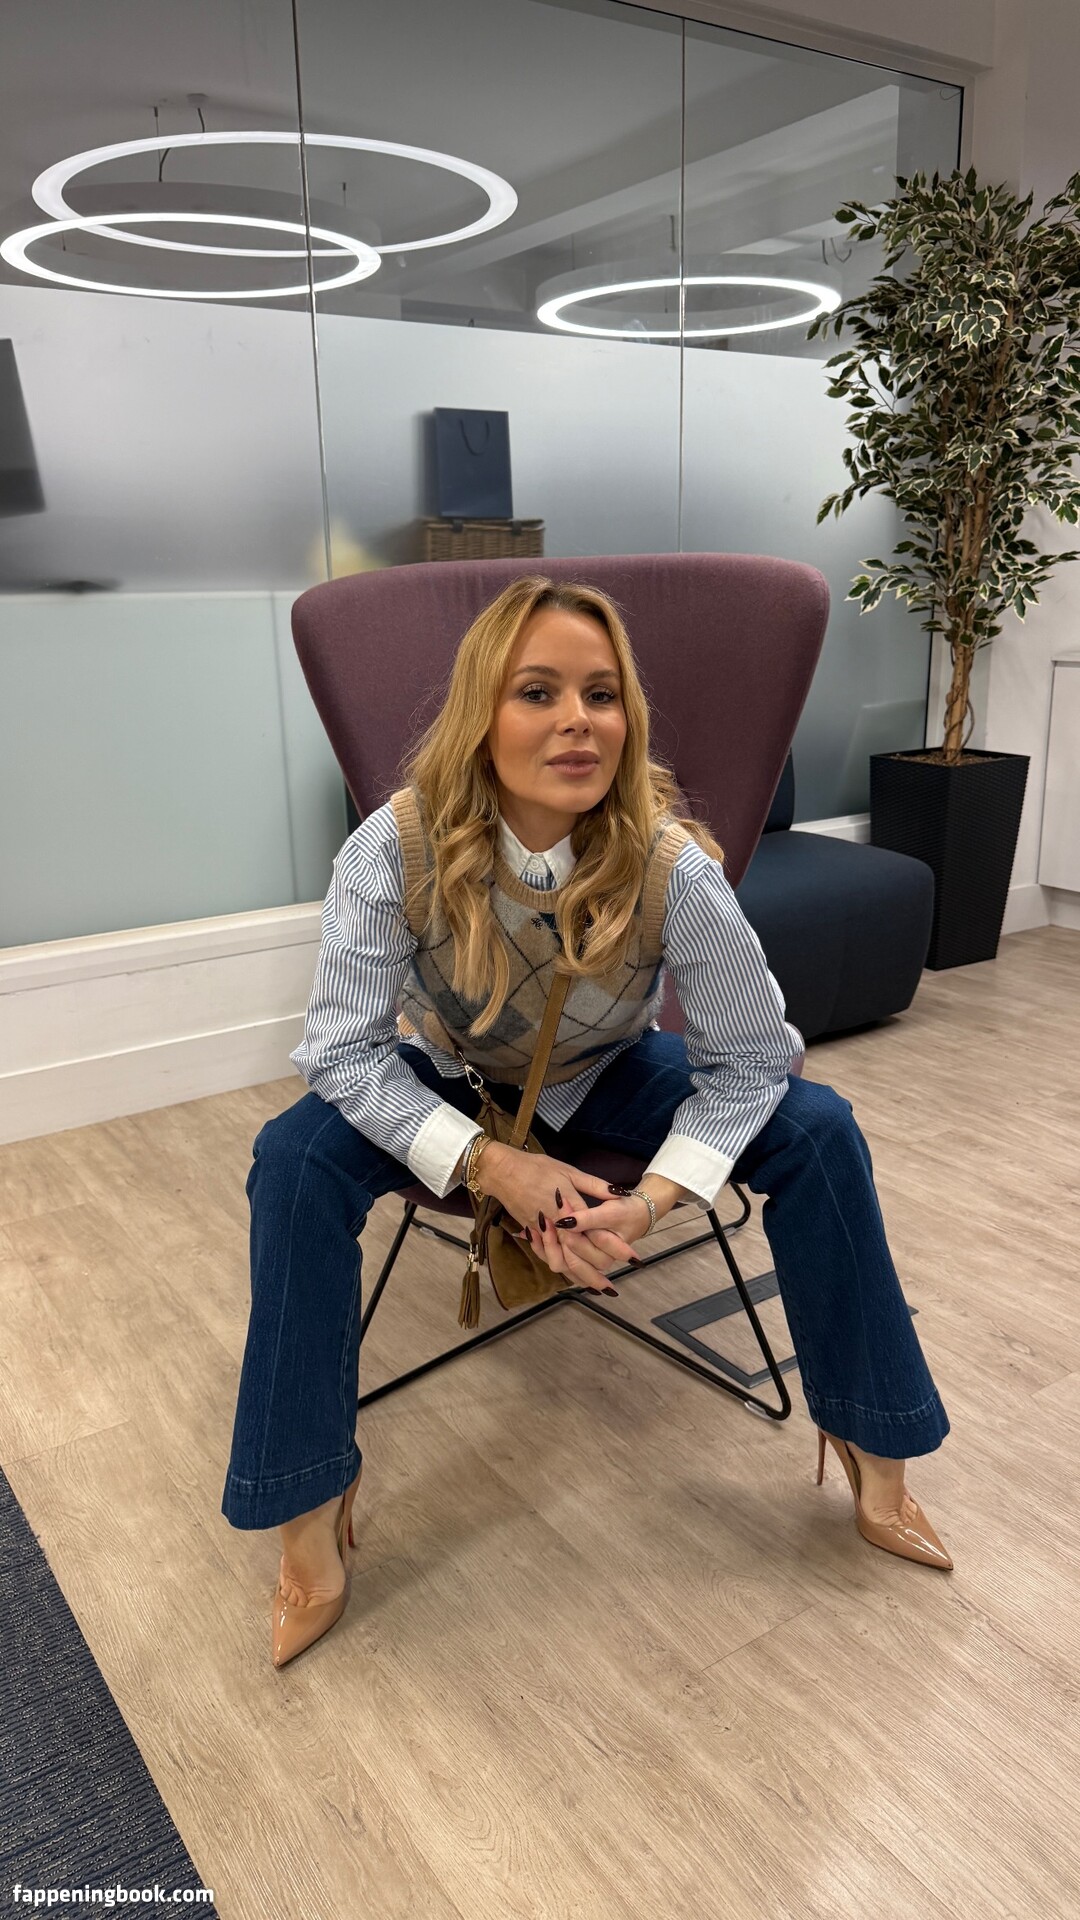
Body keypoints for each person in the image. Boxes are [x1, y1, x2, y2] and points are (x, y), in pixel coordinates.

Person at [222, 574, 953, 1669]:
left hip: (605, 1073)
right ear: (481, 713)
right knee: (292, 1158)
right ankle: (308, 1500)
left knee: (818, 1127)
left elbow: (755, 1057)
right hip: (454, 1079)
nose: (578, 720)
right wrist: (492, 1167)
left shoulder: (671, 863)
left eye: (601, 695)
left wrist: (655, 1200)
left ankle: (869, 1439)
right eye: (538, 692)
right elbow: (342, 1052)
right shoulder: (393, 849)